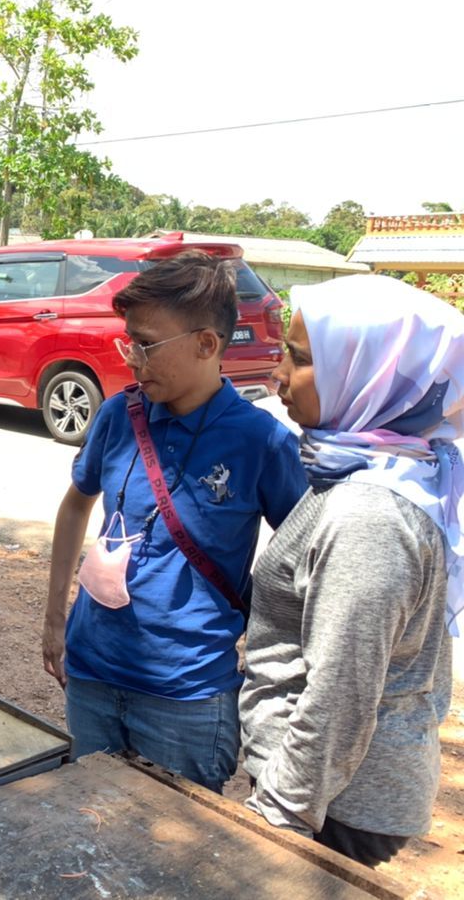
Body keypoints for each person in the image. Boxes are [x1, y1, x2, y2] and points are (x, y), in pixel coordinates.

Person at [41, 252, 307, 793]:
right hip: (92, 673)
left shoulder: (260, 442)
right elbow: (76, 503)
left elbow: (306, 555)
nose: (133, 358)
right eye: (128, 341)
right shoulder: (118, 415)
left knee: (176, 855)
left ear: (207, 344)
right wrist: (54, 618)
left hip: (186, 695)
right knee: (92, 826)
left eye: (146, 344)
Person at [240, 275, 458, 866]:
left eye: (302, 359)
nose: (277, 376)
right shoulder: (372, 466)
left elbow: (341, 694)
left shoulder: (368, 514)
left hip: (330, 810)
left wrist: (280, 820)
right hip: (325, 793)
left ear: (371, 373)